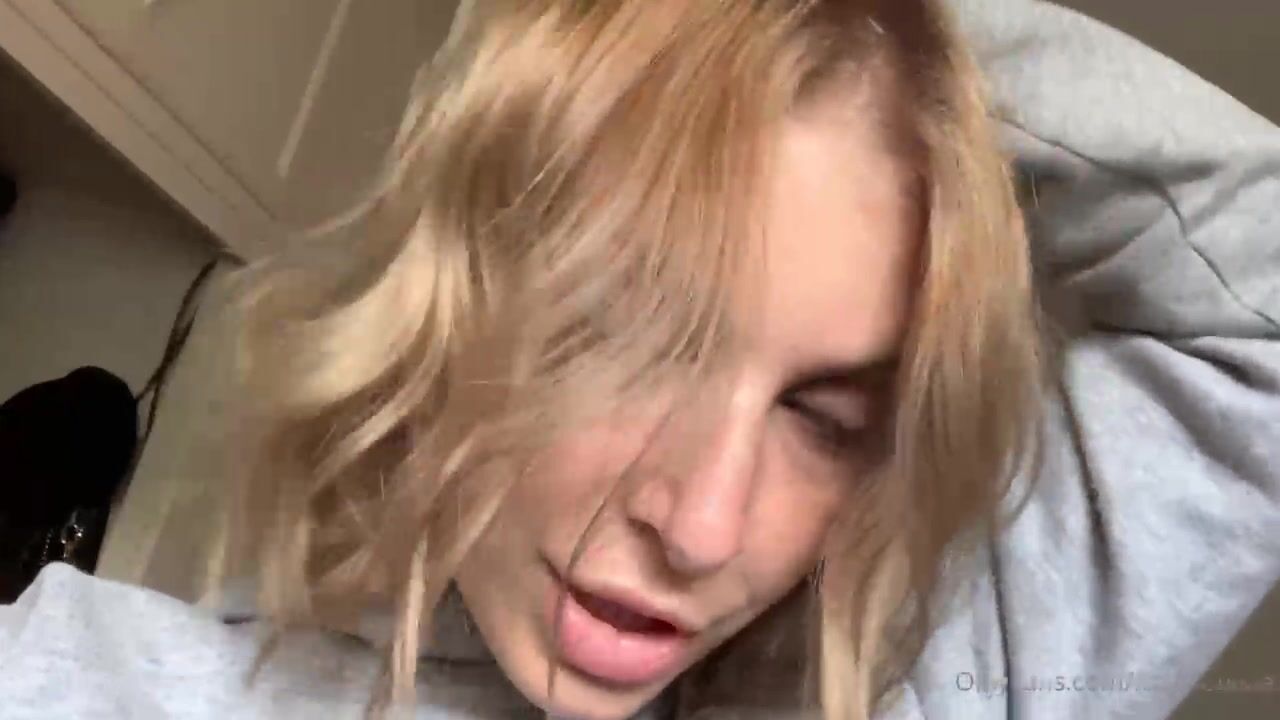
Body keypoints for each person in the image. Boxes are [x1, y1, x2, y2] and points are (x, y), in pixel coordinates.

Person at [2, 0, 1278, 718]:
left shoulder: (919, 691)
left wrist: (888, 51)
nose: (705, 525)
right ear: (457, 299)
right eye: (634, 337)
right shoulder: (97, 684)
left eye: (824, 419)